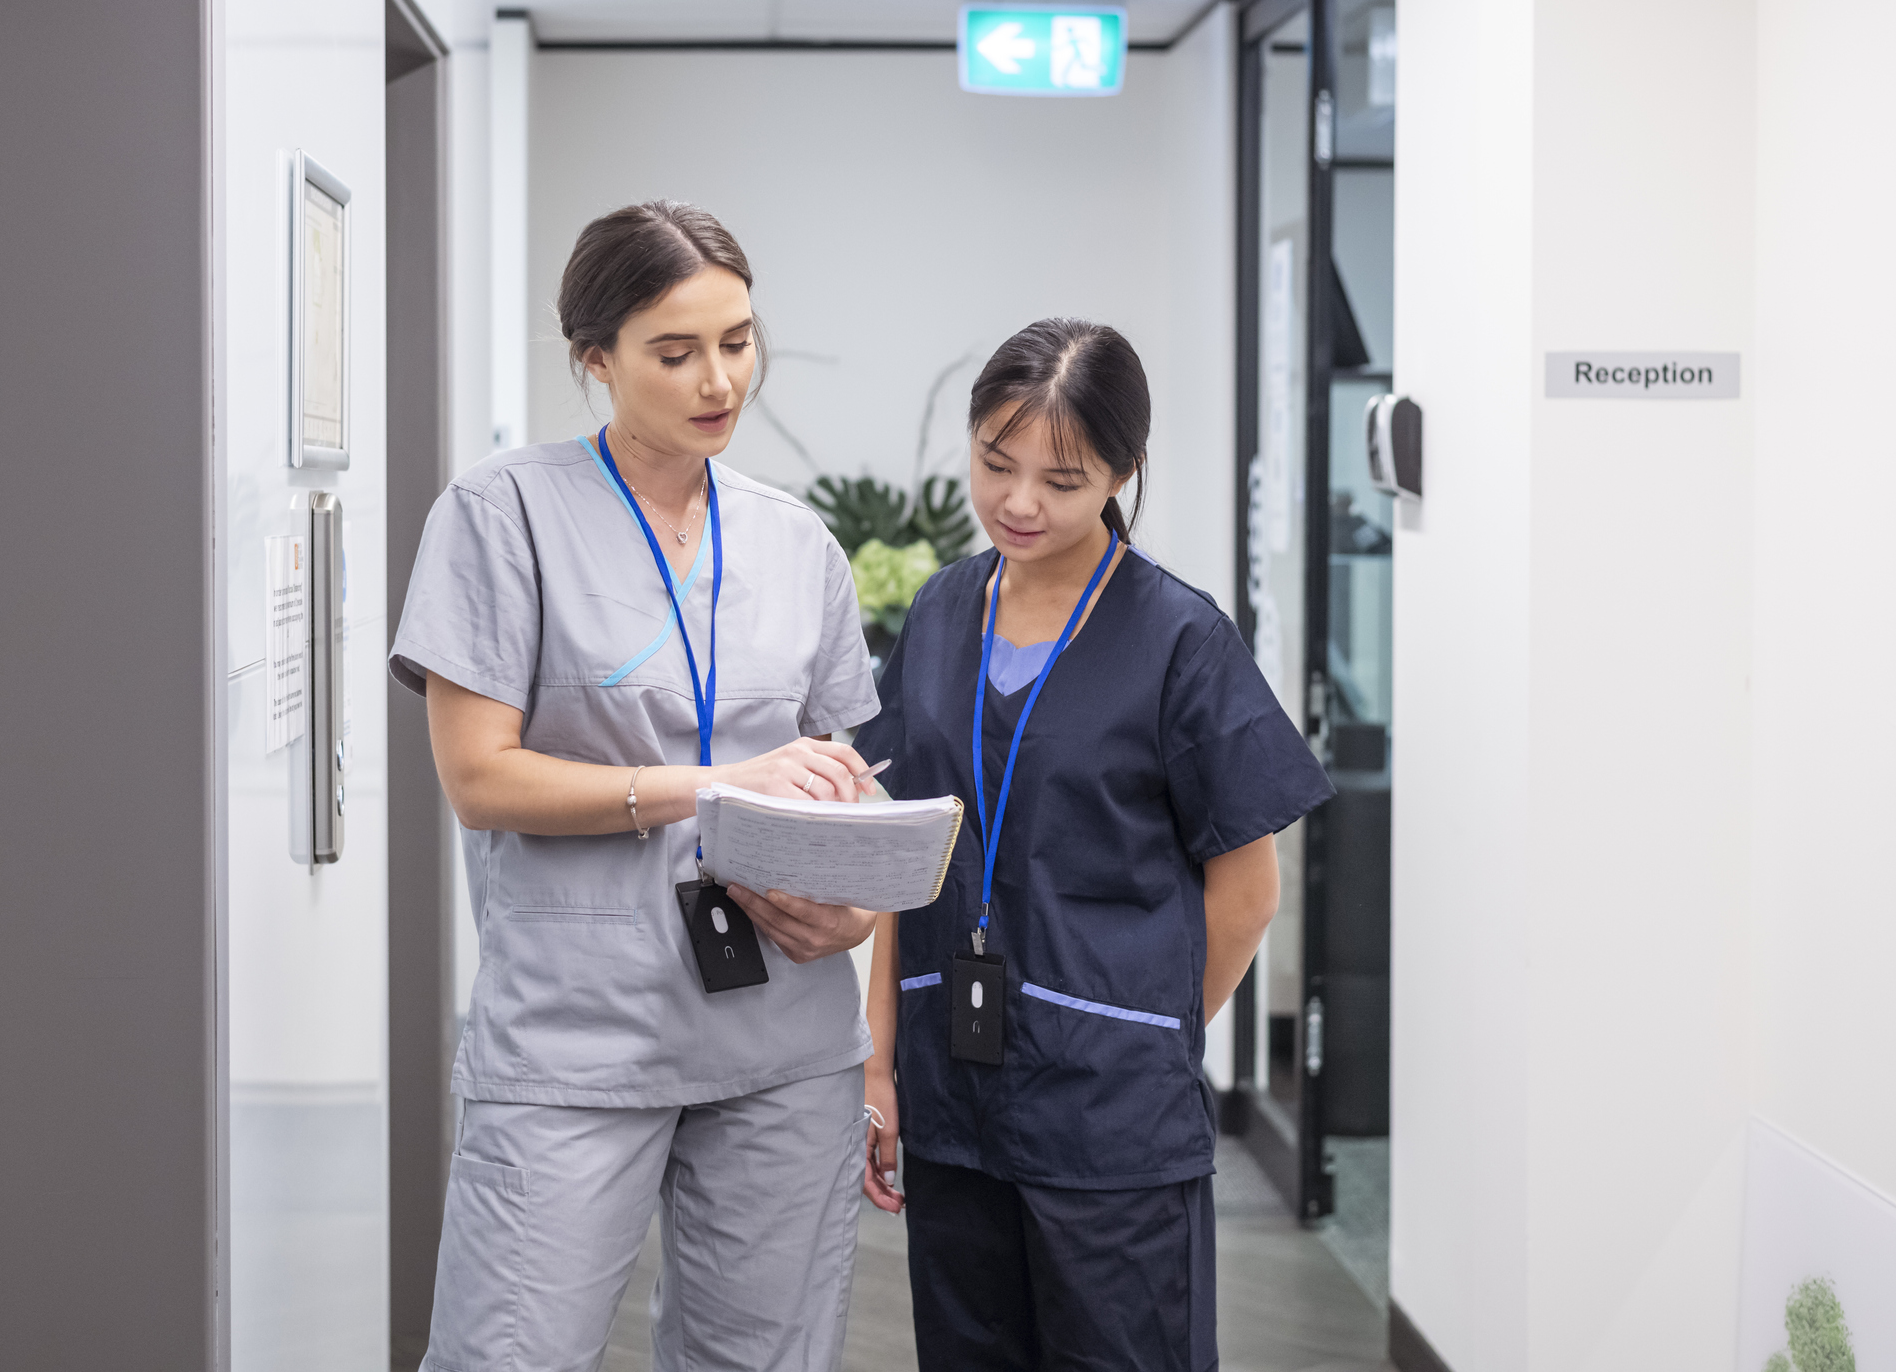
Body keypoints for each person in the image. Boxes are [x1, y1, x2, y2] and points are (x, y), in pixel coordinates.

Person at [389, 200, 885, 1372]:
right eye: (676, 352)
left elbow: (849, 781)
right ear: (594, 359)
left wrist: (854, 907)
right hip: (579, 1037)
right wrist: (708, 784)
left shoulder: (796, 543)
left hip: (781, 1033)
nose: (719, 380)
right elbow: (478, 775)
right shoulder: (499, 516)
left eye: (738, 340)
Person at [854, 319, 1334, 1370]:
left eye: (1063, 479)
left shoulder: (1178, 639)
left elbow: (1248, 894)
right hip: (953, 1096)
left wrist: (1134, 1031)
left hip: (1111, 1128)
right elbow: (905, 859)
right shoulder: (939, 614)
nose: (1020, 502)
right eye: (995, 463)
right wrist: (880, 1062)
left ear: (1124, 470)